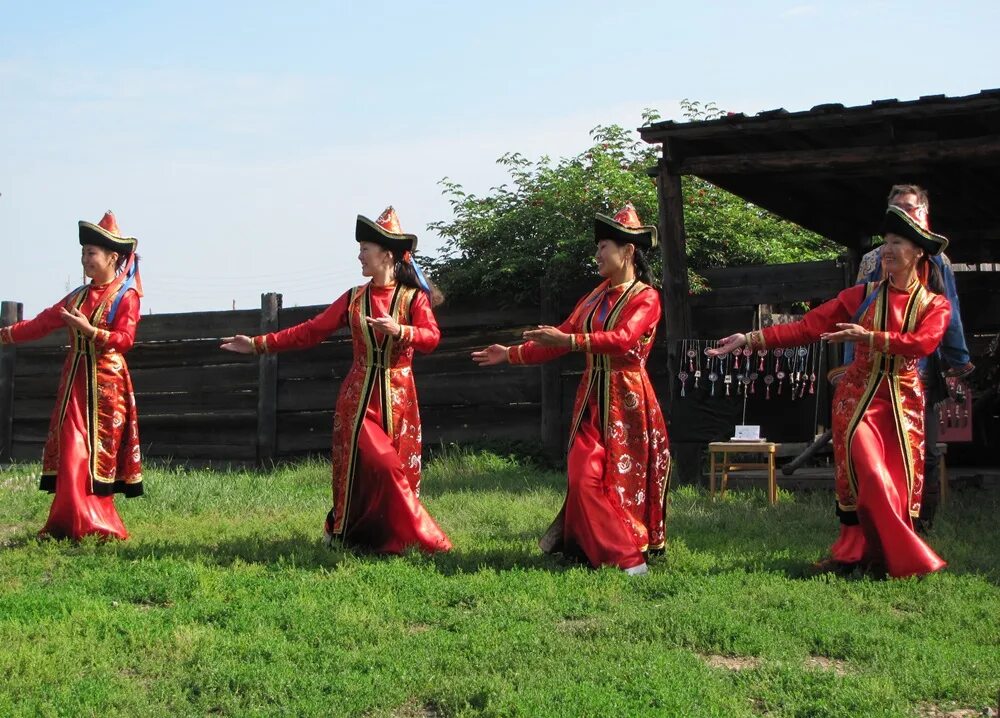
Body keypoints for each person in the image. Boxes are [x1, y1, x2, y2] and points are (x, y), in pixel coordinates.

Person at [710, 207, 951, 578]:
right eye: (885, 242)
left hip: (904, 405)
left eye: (897, 243)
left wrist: (868, 337)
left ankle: (878, 557)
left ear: (918, 252)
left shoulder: (935, 304)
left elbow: (923, 343)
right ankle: (870, 554)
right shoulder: (863, 295)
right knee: (866, 473)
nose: (887, 250)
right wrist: (750, 339)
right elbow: (808, 327)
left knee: (896, 483)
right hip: (856, 402)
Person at [221, 207, 451, 554]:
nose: (359, 256)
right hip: (358, 402)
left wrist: (400, 329)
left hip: (400, 398)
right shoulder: (353, 299)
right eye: (360, 249)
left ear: (386, 255)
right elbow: (311, 331)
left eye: (365, 249)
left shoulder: (413, 298)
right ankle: (424, 539)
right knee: (382, 465)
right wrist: (257, 345)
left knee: (393, 471)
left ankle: (378, 537)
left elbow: (432, 338)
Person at [472, 204, 670, 575]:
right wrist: (509, 354)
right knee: (582, 474)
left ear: (628, 252)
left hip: (628, 401)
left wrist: (570, 340)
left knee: (621, 480)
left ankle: (622, 554)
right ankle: (618, 556)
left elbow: (624, 339)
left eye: (603, 247)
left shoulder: (647, 298)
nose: (596, 255)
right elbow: (555, 341)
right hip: (592, 401)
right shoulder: (593, 299)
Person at [0, 211, 144, 540]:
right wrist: (5, 334)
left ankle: (98, 524)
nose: (85, 259)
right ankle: (66, 522)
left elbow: (125, 340)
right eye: (83, 253)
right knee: (70, 448)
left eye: (92, 253)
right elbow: (42, 323)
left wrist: (90, 331)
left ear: (112, 257)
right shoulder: (77, 296)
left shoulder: (126, 297)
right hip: (74, 383)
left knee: (96, 454)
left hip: (107, 386)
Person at [853, 184, 973, 530]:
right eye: (897, 208)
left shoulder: (938, 260)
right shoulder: (873, 260)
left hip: (920, 367)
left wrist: (959, 358)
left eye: (910, 207)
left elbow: (949, 313)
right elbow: (856, 312)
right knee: (876, 446)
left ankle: (920, 522)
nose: (904, 213)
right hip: (874, 367)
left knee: (926, 448)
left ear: (923, 212)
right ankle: (878, 519)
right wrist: (848, 363)